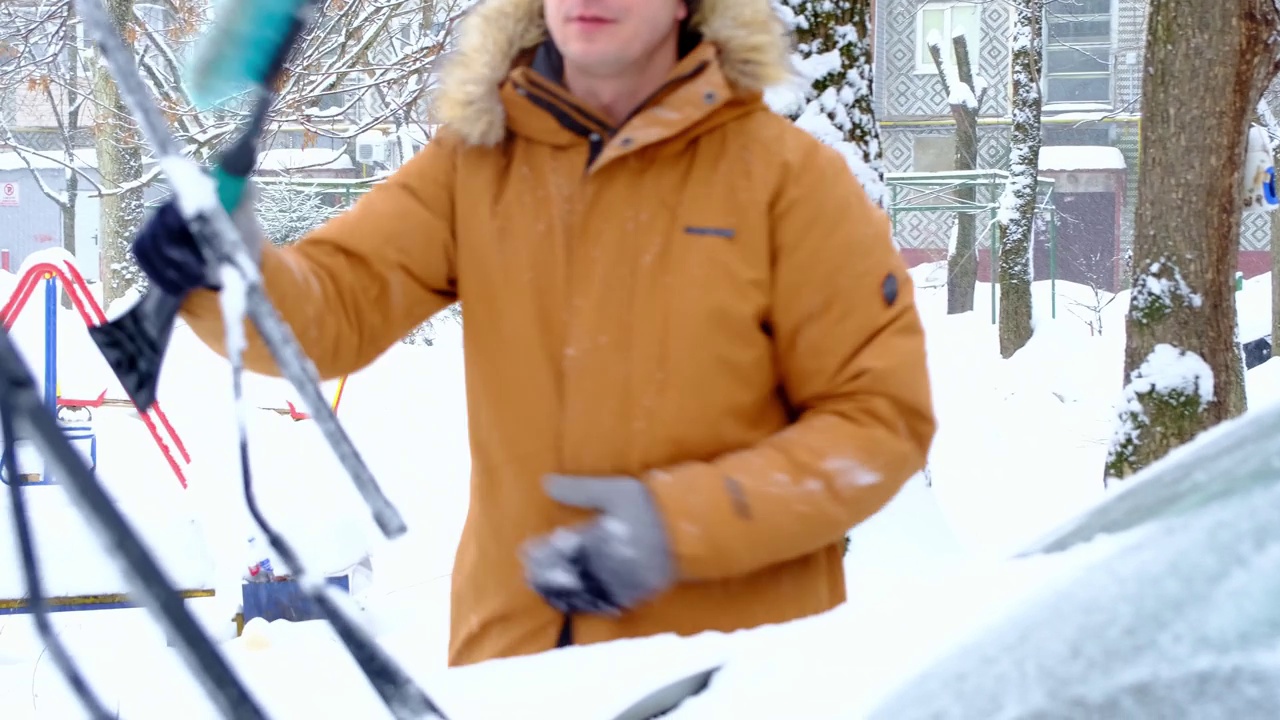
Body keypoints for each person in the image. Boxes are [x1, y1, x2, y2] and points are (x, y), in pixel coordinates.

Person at [130, 0, 937, 668]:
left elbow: (877, 422)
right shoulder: (476, 163)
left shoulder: (792, 182)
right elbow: (332, 311)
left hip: (736, 671)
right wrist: (229, 269)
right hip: (519, 668)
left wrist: (683, 524)